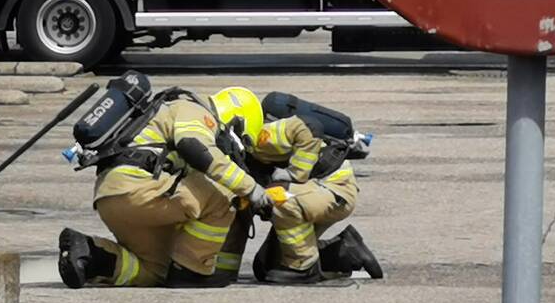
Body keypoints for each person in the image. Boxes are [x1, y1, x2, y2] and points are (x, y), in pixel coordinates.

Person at [58, 85, 273, 288]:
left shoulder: (167, 111)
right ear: (236, 122)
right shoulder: (196, 111)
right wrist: (252, 189)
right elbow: (194, 147)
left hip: (111, 198)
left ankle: (89, 254)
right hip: (140, 188)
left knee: (156, 271)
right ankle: (193, 271)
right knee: (224, 194)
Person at [244, 113, 383, 283]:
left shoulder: (264, 135)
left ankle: (304, 268)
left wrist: (294, 174)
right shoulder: (236, 152)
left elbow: (312, 127)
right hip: (311, 192)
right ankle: (344, 250)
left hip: (334, 188)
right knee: (266, 266)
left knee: (279, 198)